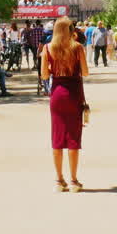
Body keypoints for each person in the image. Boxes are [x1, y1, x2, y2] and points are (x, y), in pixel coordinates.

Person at [41, 17, 89, 193]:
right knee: (73, 137)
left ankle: (59, 180)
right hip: (74, 93)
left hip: (57, 94)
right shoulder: (77, 48)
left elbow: (44, 75)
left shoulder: (47, 48)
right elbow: (85, 72)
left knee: (57, 137)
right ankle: (74, 181)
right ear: (70, 30)